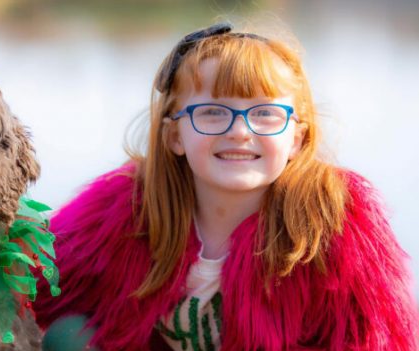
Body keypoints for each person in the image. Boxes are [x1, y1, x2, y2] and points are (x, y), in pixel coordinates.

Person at [33, 22, 419, 350]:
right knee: (69, 336)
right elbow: (34, 277)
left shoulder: (336, 224)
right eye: (213, 112)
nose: (240, 131)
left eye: (266, 114)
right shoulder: (126, 209)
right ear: (174, 137)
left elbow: (378, 339)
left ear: (296, 139)